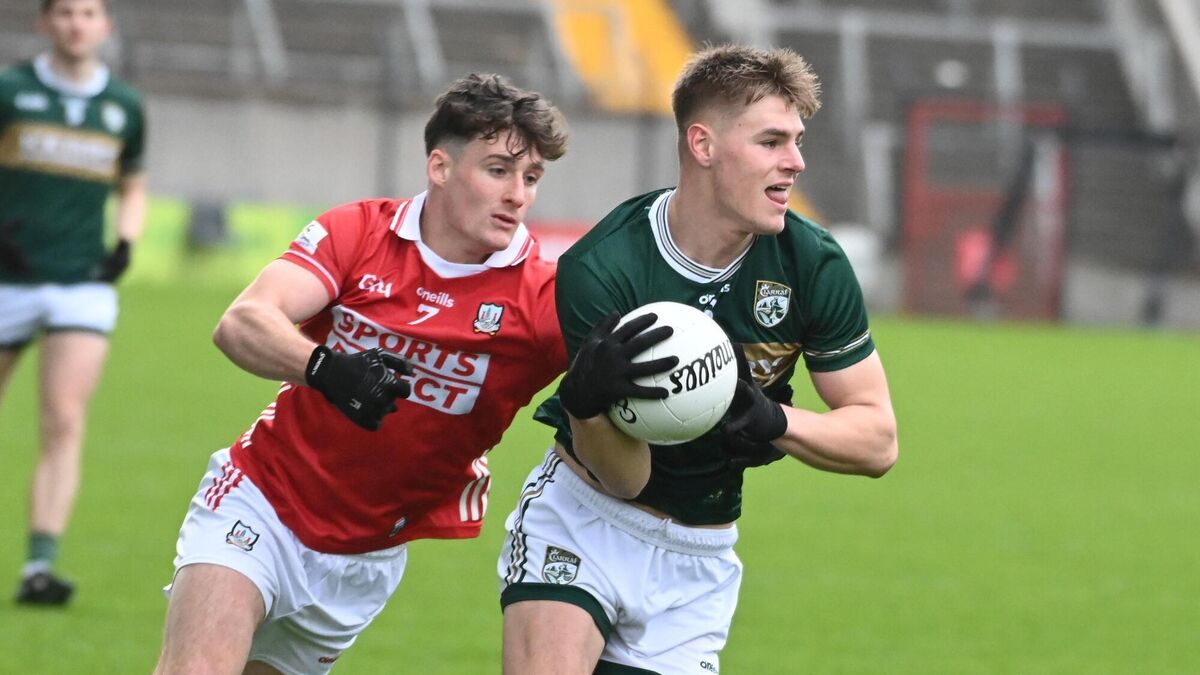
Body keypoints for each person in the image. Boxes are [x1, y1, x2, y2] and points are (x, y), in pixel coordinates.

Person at [497, 44, 899, 674]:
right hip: (586, 521)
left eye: (796, 141)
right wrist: (588, 405)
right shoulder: (603, 270)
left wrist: (774, 422)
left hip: (701, 554)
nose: (795, 162)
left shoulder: (812, 263)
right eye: (771, 141)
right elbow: (624, 479)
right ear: (703, 145)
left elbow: (877, 441)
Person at [151, 72, 568, 675]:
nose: (518, 195)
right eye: (498, 170)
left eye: (531, 178)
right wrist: (323, 369)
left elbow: (615, 384)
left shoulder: (543, 299)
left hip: (368, 554)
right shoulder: (360, 232)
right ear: (441, 167)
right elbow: (243, 322)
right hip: (261, 501)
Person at [0, 0, 147, 606]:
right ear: (45, 23)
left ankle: (40, 565)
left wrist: (126, 240)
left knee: (63, 420)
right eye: (64, 12)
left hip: (82, 283)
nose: (76, 23)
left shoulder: (124, 107)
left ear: (104, 26)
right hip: (8, 278)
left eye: (88, 13)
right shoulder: (11, 90)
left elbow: (132, 181)